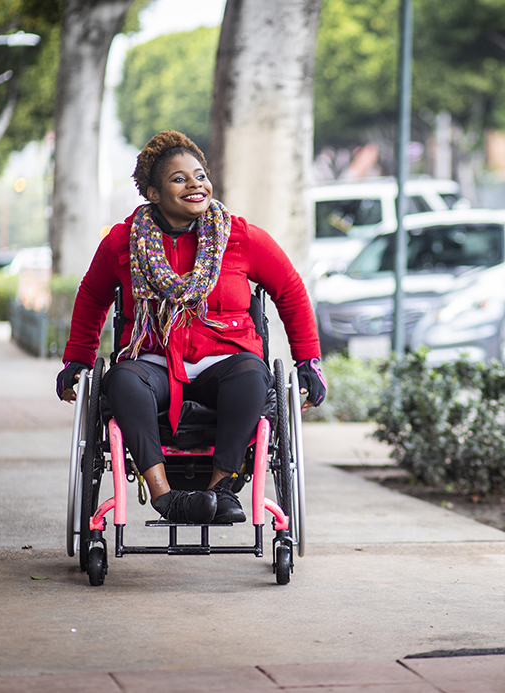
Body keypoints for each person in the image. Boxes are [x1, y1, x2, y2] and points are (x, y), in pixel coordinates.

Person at [56, 130, 326, 525]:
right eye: (179, 178)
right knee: (122, 382)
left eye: (199, 175)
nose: (195, 184)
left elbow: (290, 289)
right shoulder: (122, 243)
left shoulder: (240, 236)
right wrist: (77, 361)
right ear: (153, 193)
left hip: (227, 363)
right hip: (154, 362)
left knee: (254, 377)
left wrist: (309, 361)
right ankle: (167, 497)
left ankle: (221, 489)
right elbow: (92, 297)